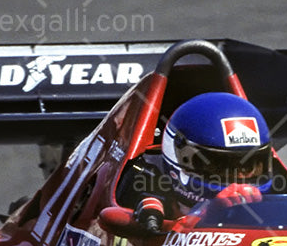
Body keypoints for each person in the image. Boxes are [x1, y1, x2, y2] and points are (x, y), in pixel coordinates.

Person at [117, 92, 278, 219]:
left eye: (250, 166)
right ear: (180, 161)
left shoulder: (278, 196)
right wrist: (206, 216)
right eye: (223, 167)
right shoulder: (143, 185)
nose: (240, 179)